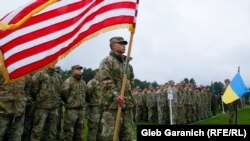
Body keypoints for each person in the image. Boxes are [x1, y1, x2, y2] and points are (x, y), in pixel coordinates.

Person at [97, 37, 135, 141]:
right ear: (113, 45)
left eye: (124, 44)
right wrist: (116, 95)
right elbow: (106, 81)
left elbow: (130, 82)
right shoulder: (107, 61)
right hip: (113, 106)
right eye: (120, 43)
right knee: (110, 136)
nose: (124, 46)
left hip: (126, 106)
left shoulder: (127, 65)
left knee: (127, 135)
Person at [30, 63, 62, 141]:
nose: (54, 63)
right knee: (37, 131)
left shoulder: (58, 76)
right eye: (52, 61)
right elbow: (33, 91)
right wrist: (40, 98)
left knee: (52, 131)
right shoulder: (39, 75)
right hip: (42, 107)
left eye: (55, 61)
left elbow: (59, 90)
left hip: (54, 108)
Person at [61, 65, 87, 141]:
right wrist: (70, 102)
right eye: (77, 69)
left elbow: (84, 93)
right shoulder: (68, 81)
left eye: (80, 69)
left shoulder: (83, 82)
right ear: (72, 70)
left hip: (81, 110)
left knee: (79, 132)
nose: (79, 71)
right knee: (68, 132)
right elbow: (63, 95)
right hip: (71, 111)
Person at [0, 71, 27, 141]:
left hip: (19, 109)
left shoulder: (23, 72)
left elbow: (28, 88)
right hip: (3, 109)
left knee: (16, 135)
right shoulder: (2, 70)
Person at [86, 69, 102, 141]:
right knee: (93, 128)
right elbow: (87, 94)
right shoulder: (92, 82)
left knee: (101, 127)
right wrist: (91, 103)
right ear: (96, 72)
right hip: (94, 108)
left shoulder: (103, 82)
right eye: (99, 71)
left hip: (102, 108)